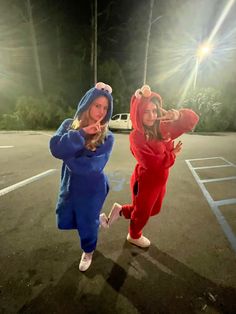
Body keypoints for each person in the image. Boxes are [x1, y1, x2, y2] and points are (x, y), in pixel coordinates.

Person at [103, 84, 199, 248]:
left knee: (153, 210)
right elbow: (152, 164)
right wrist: (172, 154)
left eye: (154, 110)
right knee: (142, 214)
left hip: (160, 181)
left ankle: (121, 211)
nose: (151, 115)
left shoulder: (162, 127)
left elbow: (192, 120)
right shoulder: (136, 136)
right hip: (145, 183)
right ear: (138, 113)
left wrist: (176, 115)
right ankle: (133, 235)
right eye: (146, 111)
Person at [49, 82, 114, 271]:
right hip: (70, 185)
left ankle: (88, 251)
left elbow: (91, 167)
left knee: (86, 223)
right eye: (97, 105)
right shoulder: (69, 124)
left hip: (92, 189)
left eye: (105, 108)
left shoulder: (107, 137)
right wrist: (82, 133)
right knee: (71, 217)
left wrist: (67, 152)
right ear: (88, 104)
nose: (101, 111)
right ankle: (98, 219)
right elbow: (54, 147)